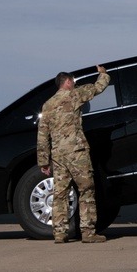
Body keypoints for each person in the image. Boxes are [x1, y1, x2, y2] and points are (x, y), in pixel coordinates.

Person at [36, 65, 110, 243]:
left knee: (60, 193)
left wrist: (43, 162)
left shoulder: (48, 105)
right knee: (86, 189)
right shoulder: (74, 95)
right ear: (68, 82)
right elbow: (97, 88)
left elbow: (42, 135)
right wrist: (103, 74)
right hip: (76, 152)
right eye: (73, 81)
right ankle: (88, 231)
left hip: (58, 155)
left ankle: (59, 233)